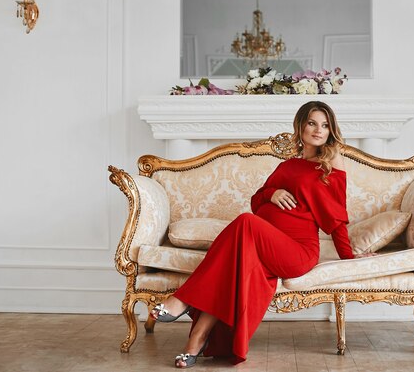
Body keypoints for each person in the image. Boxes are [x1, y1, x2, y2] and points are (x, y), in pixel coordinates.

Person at [151, 100, 373, 368]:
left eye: (325, 125)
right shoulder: (287, 166)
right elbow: (257, 201)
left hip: (298, 252)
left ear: (331, 131)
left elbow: (337, 219)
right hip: (264, 247)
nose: (318, 130)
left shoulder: (330, 164)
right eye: (312, 123)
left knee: (245, 222)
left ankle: (183, 300)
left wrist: (348, 255)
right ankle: (197, 339)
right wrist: (273, 193)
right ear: (300, 126)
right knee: (230, 270)